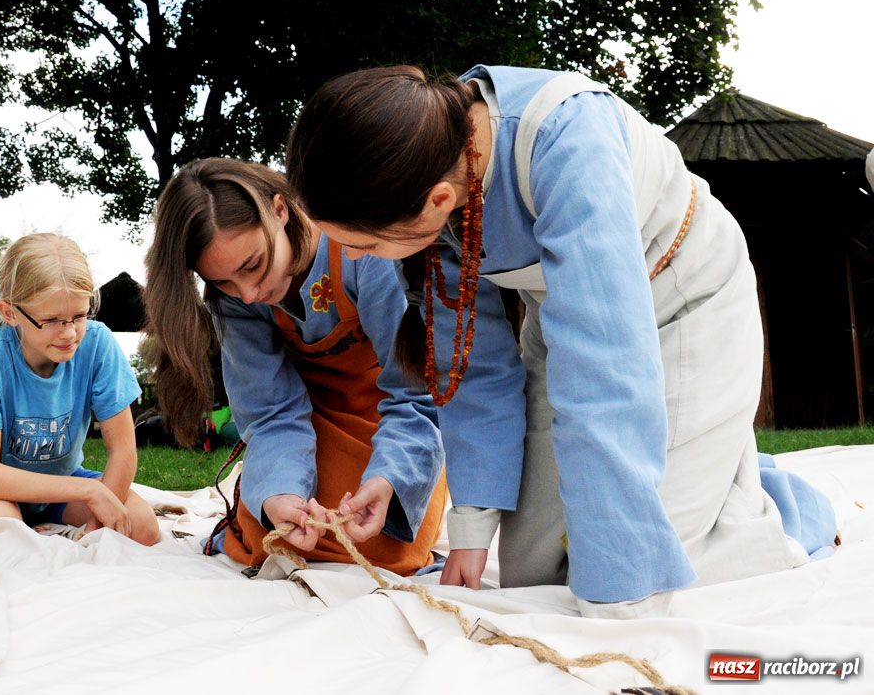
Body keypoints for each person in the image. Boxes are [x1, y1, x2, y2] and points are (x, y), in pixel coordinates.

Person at [284, 65, 837, 615]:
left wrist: (621, 589)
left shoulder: (568, 136)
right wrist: (472, 527)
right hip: (560, 323)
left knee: (656, 569)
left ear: (437, 200)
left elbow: (603, 372)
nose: (353, 259)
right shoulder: (428, 167)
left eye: (363, 244)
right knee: (534, 574)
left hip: (686, 304)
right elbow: (473, 365)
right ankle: (703, 462)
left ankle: (777, 506)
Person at [143, 158, 447, 576]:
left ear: (280, 210)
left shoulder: (360, 249)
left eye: (252, 265)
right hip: (308, 431)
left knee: (379, 545)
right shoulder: (235, 300)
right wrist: (279, 494)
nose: (247, 294)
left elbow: (417, 394)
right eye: (224, 282)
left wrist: (389, 480)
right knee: (275, 532)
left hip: (389, 428)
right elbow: (271, 413)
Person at [0, 233, 159, 546]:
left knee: (141, 525)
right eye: (52, 320)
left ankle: (45, 530)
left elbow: (124, 451)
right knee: (1, 533)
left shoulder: (98, 345)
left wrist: (100, 520)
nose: (69, 333)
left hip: (62, 484)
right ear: (10, 312)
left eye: (80, 316)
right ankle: (32, 532)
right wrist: (91, 491)